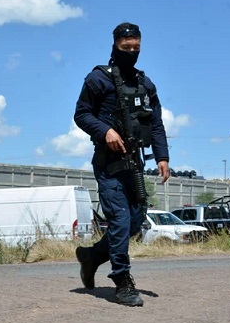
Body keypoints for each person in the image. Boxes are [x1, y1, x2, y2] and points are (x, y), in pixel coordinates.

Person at [73, 22, 170, 307]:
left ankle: (90, 257)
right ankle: (122, 282)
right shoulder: (98, 79)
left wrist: (162, 156)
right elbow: (81, 114)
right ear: (115, 45)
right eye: (126, 48)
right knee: (120, 220)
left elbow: (156, 124)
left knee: (135, 223)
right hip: (108, 164)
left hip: (135, 165)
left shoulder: (145, 84)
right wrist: (105, 131)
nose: (131, 52)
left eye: (136, 48)